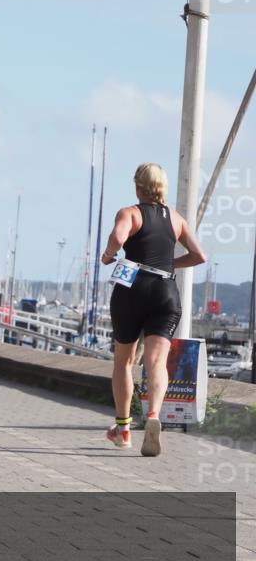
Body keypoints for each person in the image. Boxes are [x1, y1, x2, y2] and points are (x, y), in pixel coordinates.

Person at [101, 162, 205, 457]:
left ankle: (123, 430)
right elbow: (199, 255)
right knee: (156, 362)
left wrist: (108, 255)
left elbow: (118, 238)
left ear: (138, 187)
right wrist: (170, 264)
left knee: (124, 362)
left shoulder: (130, 213)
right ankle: (153, 416)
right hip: (165, 291)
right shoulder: (176, 219)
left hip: (133, 288)